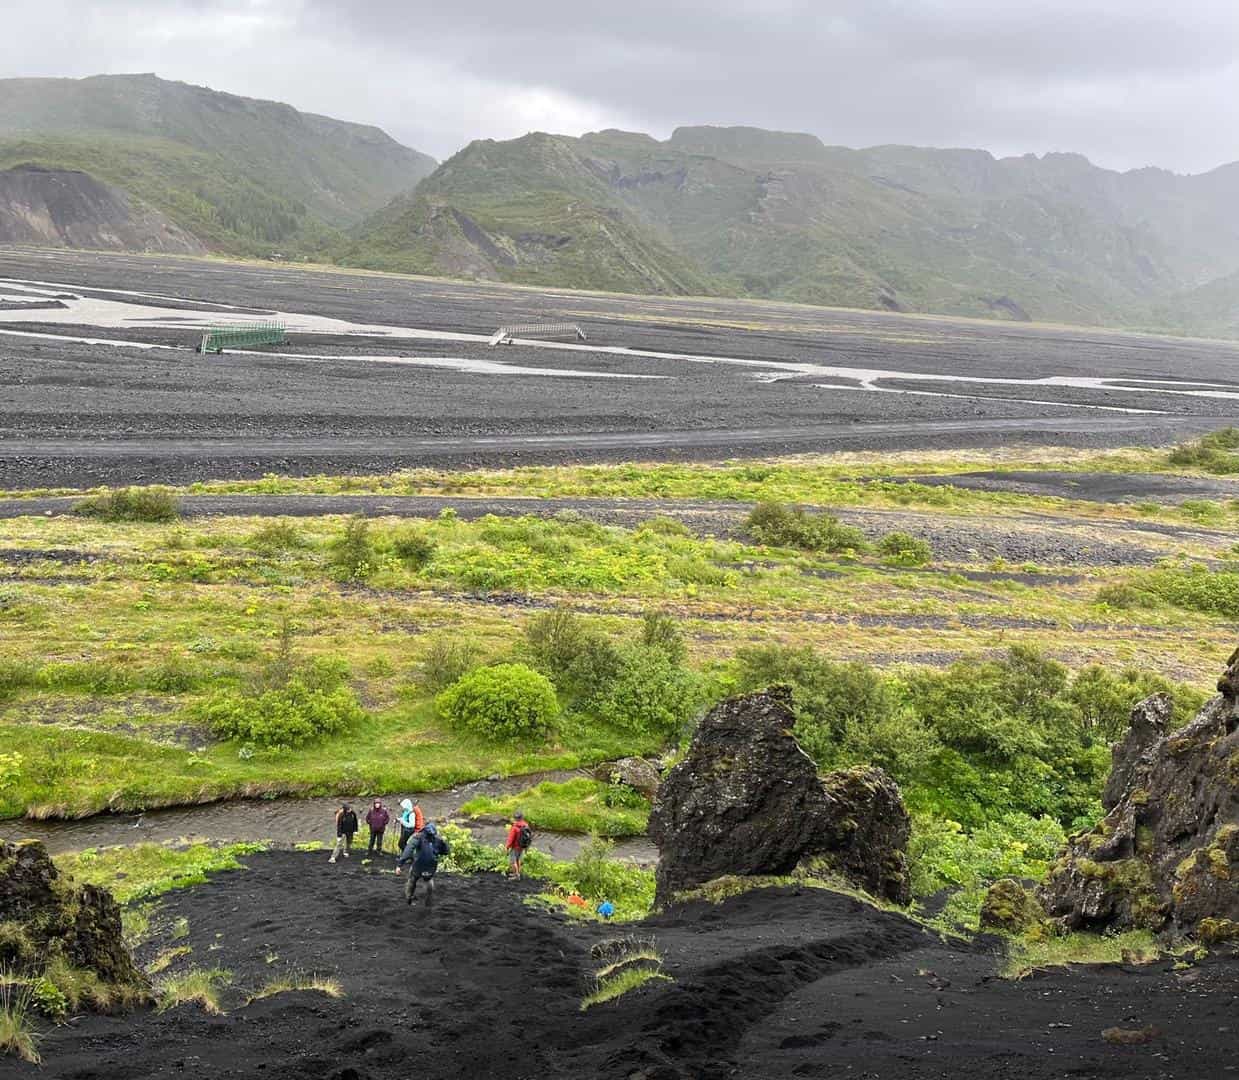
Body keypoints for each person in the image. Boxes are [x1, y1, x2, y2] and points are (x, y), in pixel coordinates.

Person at [397, 819, 450, 909]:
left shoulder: (418, 837)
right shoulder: (438, 839)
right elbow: (446, 852)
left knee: (412, 880)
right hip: (431, 866)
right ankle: (428, 903)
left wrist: (400, 864)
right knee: (429, 881)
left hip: (418, 864)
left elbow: (408, 850)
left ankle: (409, 899)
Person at [505, 811, 532, 880]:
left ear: (515, 818)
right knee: (518, 860)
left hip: (515, 847)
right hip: (522, 847)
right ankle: (517, 873)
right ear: (522, 818)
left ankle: (516, 876)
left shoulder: (515, 828)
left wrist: (507, 847)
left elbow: (510, 839)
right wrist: (527, 847)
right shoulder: (526, 825)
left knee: (512, 861)